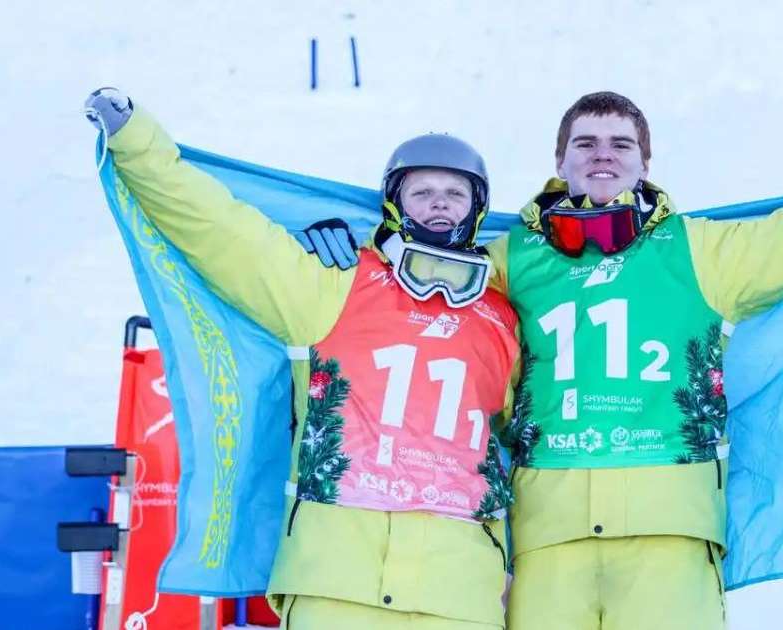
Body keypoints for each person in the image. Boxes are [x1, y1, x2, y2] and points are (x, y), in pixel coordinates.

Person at [478, 86, 783, 630]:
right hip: (548, 535)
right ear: (559, 161)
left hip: (671, 536)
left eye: (621, 144)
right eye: (586, 142)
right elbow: (420, 298)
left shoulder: (700, 250)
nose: (603, 154)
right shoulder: (510, 259)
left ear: (645, 163)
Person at [84, 88, 520, 630]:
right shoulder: (335, 287)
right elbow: (224, 233)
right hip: (333, 584)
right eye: (421, 191)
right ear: (393, 203)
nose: (438, 203)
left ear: (477, 207)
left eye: (455, 192)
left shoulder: (507, 317)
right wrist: (135, 142)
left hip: (458, 594)